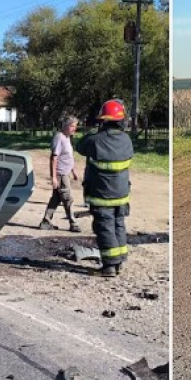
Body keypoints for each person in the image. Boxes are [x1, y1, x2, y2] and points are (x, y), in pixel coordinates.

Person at [76, 100, 133, 277]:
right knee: (118, 225)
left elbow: (80, 146)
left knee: (105, 227)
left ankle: (109, 266)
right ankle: (119, 261)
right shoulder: (126, 140)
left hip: (102, 195)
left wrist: (94, 130)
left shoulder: (95, 140)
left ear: (103, 120)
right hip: (122, 194)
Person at [39, 116, 81, 232]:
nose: (74, 129)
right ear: (65, 126)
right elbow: (54, 158)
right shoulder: (59, 137)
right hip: (61, 174)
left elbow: (68, 157)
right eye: (72, 126)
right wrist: (54, 177)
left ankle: (45, 222)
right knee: (68, 198)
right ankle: (73, 223)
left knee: (56, 198)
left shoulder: (67, 138)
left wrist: (73, 171)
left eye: (75, 126)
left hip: (66, 173)